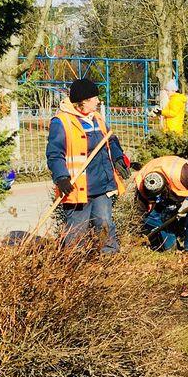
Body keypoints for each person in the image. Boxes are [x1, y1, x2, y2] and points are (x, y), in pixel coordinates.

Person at [46, 78, 129, 253]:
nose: (98, 101)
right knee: (76, 230)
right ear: (83, 101)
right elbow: (54, 154)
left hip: (102, 184)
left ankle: (109, 258)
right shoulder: (62, 122)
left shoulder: (97, 118)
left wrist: (118, 158)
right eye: (95, 98)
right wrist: (61, 177)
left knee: (105, 224)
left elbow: (110, 140)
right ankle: (73, 263)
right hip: (77, 187)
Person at [134, 155, 188, 253]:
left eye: (160, 192)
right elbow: (141, 211)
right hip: (166, 200)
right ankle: (170, 244)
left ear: (166, 184)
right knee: (148, 218)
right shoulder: (142, 181)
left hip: (185, 197)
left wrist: (187, 203)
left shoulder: (184, 173)